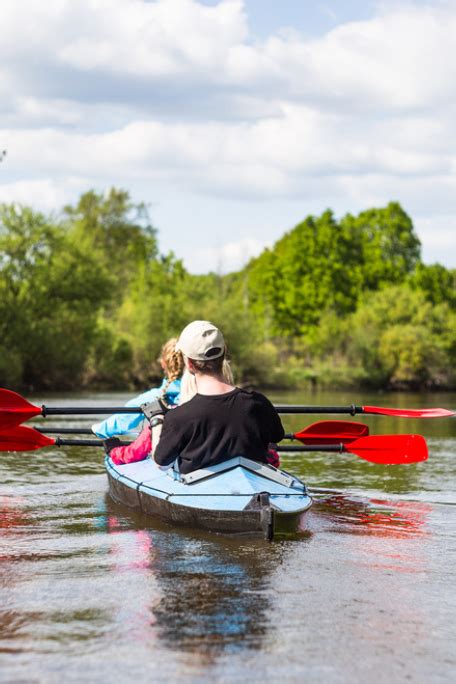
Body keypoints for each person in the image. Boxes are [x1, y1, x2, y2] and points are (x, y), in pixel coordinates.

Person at [153, 320, 284, 474]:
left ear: (189, 364)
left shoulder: (179, 417)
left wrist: (156, 421)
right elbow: (277, 436)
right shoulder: (258, 403)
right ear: (223, 354)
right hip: (257, 486)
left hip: (198, 490)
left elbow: (161, 464)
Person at [93, 338, 183, 439]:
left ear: (163, 364)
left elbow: (124, 418)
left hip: (165, 449)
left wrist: (98, 429)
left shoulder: (153, 397)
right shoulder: (199, 394)